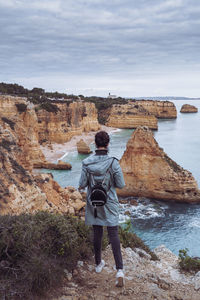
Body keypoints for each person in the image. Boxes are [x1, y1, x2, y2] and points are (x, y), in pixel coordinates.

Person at [79, 131, 125, 287]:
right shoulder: (113, 162)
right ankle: (119, 269)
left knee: (97, 231)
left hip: (94, 202)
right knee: (113, 233)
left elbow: (82, 184)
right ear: (108, 144)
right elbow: (120, 184)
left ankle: (98, 264)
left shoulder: (86, 163)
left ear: (95, 144)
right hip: (110, 201)